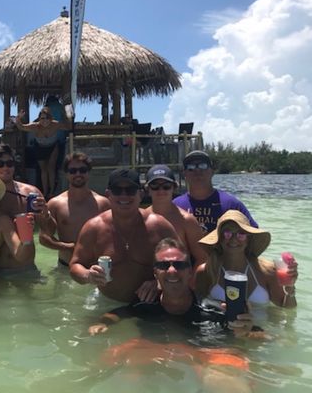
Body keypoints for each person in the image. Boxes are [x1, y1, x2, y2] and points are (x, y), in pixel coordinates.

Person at [92, 238, 260, 393]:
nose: (172, 270)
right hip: (155, 349)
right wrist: (103, 323)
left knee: (225, 376)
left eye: (179, 265)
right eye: (164, 266)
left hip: (205, 352)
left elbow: (256, 333)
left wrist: (246, 332)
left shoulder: (212, 310)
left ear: (189, 272)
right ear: (156, 273)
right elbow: (120, 312)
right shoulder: (145, 304)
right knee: (115, 358)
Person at [70, 168, 179, 303]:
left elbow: (183, 263)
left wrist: (159, 282)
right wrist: (88, 275)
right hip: (107, 302)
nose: (124, 196)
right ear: (108, 194)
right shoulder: (93, 228)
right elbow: (75, 265)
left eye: (130, 190)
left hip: (150, 303)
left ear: (140, 194)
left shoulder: (160, 226)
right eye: (117, 190)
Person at [195, 210, 298, 308]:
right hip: (220, 326)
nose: (234, 239)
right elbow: (199, 306)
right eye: (227, 234)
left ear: (248, 239)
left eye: (241, 234)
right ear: (219, 239)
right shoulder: (206, 271)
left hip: (261, 326)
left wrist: (289, 288)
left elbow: (286, 309)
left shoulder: (267, 270)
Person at [0, 143, 51, 279]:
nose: (6, 167)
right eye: (0, 163)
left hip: (26, 268)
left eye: (10, 163)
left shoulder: (30, 192)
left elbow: (49, 232)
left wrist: (45, 213)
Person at [39, 152, 110, 268]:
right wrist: (67, 247)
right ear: (66, 174)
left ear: (88, 172)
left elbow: (113, 236)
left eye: (82, 170)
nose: (78, 174)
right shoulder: (55, 204)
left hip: (95, 268)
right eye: (73, 171)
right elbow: (43, 237)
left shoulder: (103, 203)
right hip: (65, 267)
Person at [173, 150, 257, 233]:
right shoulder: (175, 206)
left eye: (203, 166)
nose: (197, 171)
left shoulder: (231, 204)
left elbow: (254, 234)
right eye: (191, 167)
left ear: (212, 171)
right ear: (184, 174)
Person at [144, 164, 206, 270]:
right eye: (155, 186)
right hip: (148, 281)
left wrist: (190, 282)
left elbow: (202, 259)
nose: (161, 190)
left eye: (166, 186)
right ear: (148, 189)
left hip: (178, 280)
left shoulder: (187, 220)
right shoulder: (141, 218)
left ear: (174, 188)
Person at [14, 107, 72, 198]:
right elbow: (21, 127)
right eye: (42, 118)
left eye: (47, 118)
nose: (45, 121)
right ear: (39, 119)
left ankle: (51, 191)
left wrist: (68, 115)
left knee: (51, 168)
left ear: (50, 118)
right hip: (40, 148)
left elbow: (68, 127)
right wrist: (18, 118)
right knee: (43, 170)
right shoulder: (35, 126)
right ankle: (45, 192)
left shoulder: (55, 124)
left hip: (53, 147)